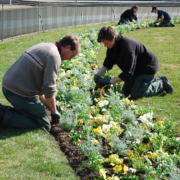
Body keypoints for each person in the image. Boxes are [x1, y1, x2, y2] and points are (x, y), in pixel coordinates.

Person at [0, 35, 81, 131]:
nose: (70, 59)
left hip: (11, 85)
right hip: (18, 92)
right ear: (68, 47)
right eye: (72, 55)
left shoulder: (47, 46)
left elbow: (41, 87)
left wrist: (49, 103)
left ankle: (3, 111)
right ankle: (2, 115)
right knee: (43, 124)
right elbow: (49, 88)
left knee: (33, 114)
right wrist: (54, 111)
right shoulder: (54, 56)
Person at [94, 26, 173, 100]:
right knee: (126, 92)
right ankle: (151, 81)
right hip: (134, 70)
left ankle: (161, 84)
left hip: (147, 68)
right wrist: (97, 76)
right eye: (103, 43)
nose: (105, 45)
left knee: (136, 95)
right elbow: (107, 64)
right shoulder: (112, 47)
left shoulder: (127, 47)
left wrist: (108, 81)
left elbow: (127, 73)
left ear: (114, 38)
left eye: (106, 43)